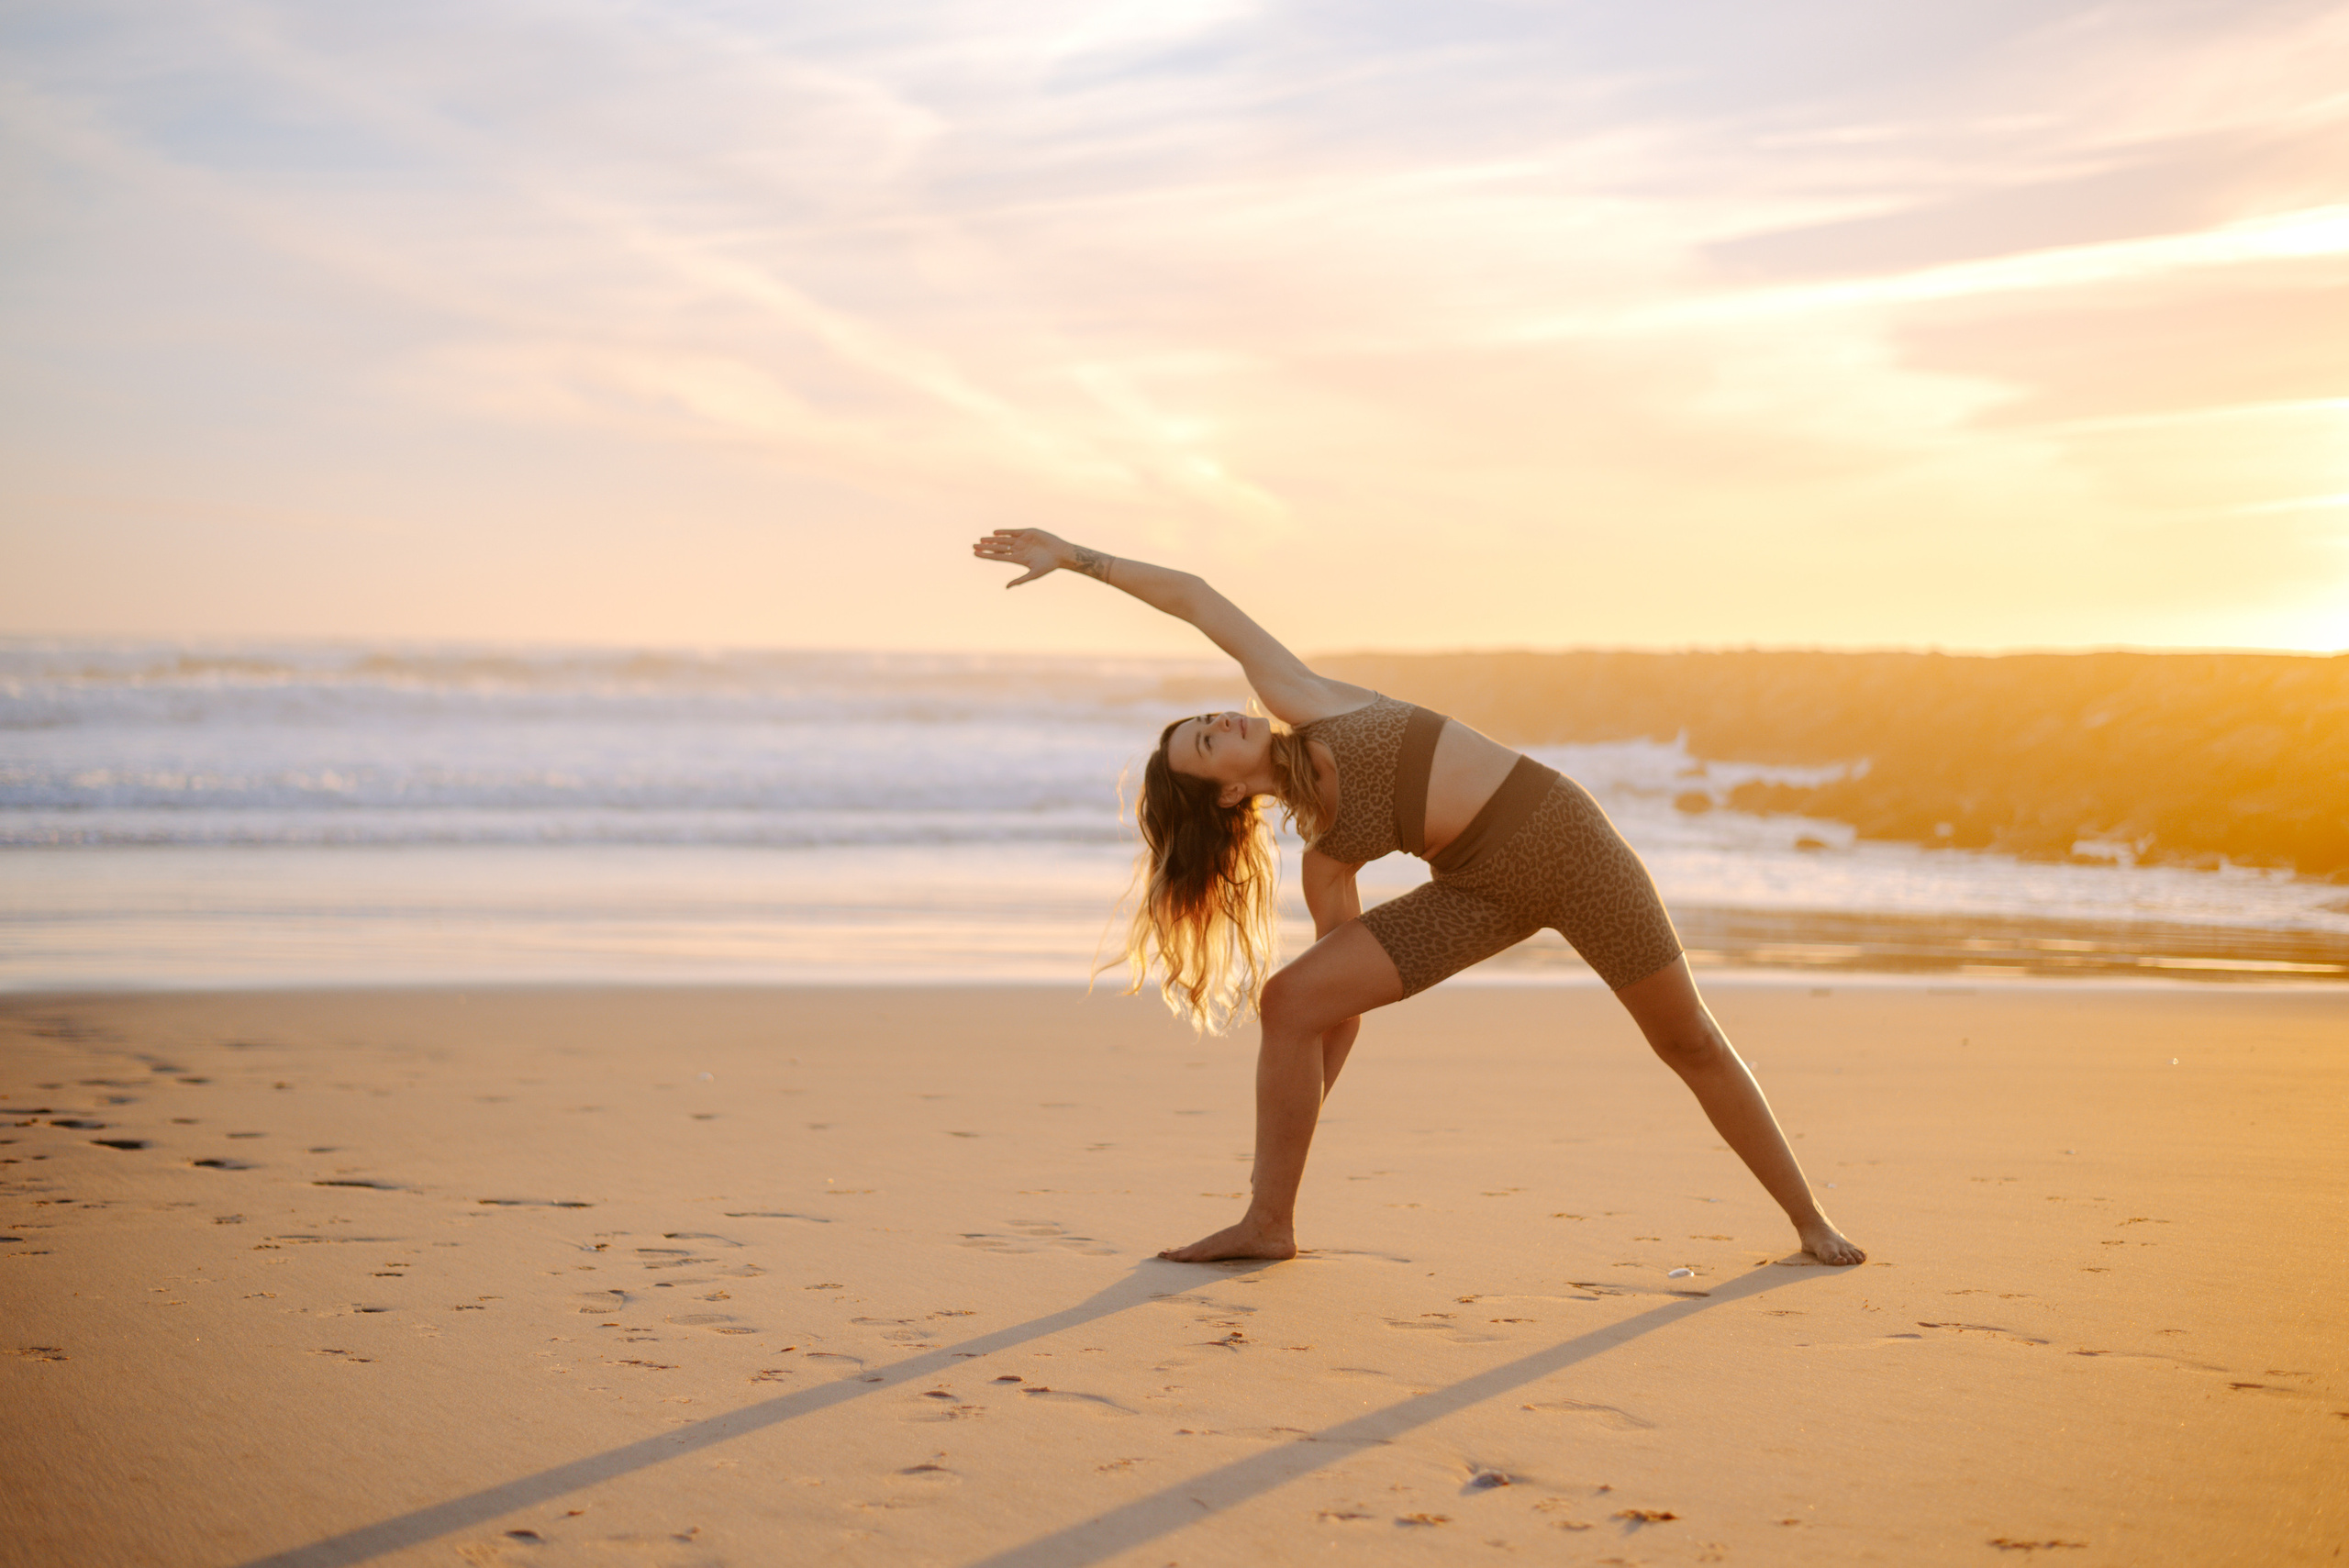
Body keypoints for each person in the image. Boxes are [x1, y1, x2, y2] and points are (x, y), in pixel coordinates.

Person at [972, 528, 1865, 1268]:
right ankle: (1268, 1220)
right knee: (1292, 999)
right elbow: (1339, 1014)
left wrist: (1075, 557)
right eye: (1208, 744)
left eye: (1208, 718)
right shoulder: (1326, 859)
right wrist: (1299, 1106)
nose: (1224, 720)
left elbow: (1197, 599)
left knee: (1686, 1038)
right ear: (1229, 793)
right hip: (1475, 893)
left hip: (1564, 839)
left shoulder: (1305, 700)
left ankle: (1809, 1218)